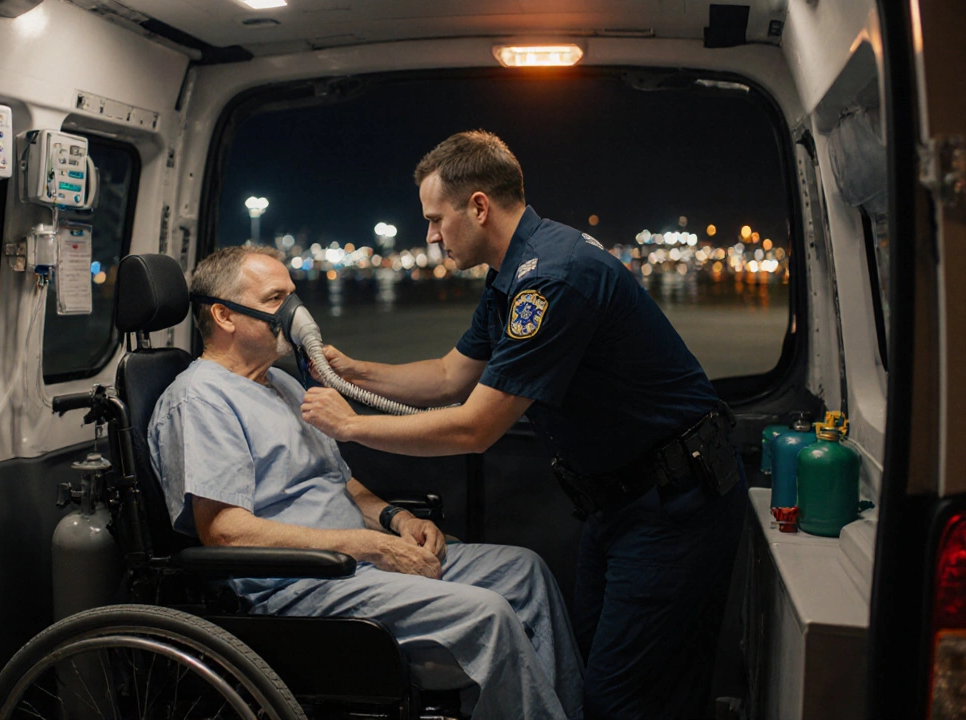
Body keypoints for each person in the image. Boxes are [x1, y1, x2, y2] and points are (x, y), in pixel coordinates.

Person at [299, 130, 748, 720]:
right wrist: (353, 370)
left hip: (673, 505)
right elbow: (447, 376)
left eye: (436, 219)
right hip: (619, 503)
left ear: (478, 206)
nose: (430, 236)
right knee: (590, 672)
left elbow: (473, 428)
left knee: (623, 699)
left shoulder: (551, 279)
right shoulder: (512, 271)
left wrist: (350, 427)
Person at [148, 245, 584, 720]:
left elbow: (341, 482)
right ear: (224, 316)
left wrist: (396, 520)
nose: (298, 313)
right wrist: (368, 547)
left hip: (357, 566)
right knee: (489, 614)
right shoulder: (200, 401)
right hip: (299, 586)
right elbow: (226, 532)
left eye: (294, 295)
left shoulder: (285, 384)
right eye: (277, 298)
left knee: (525, 571)